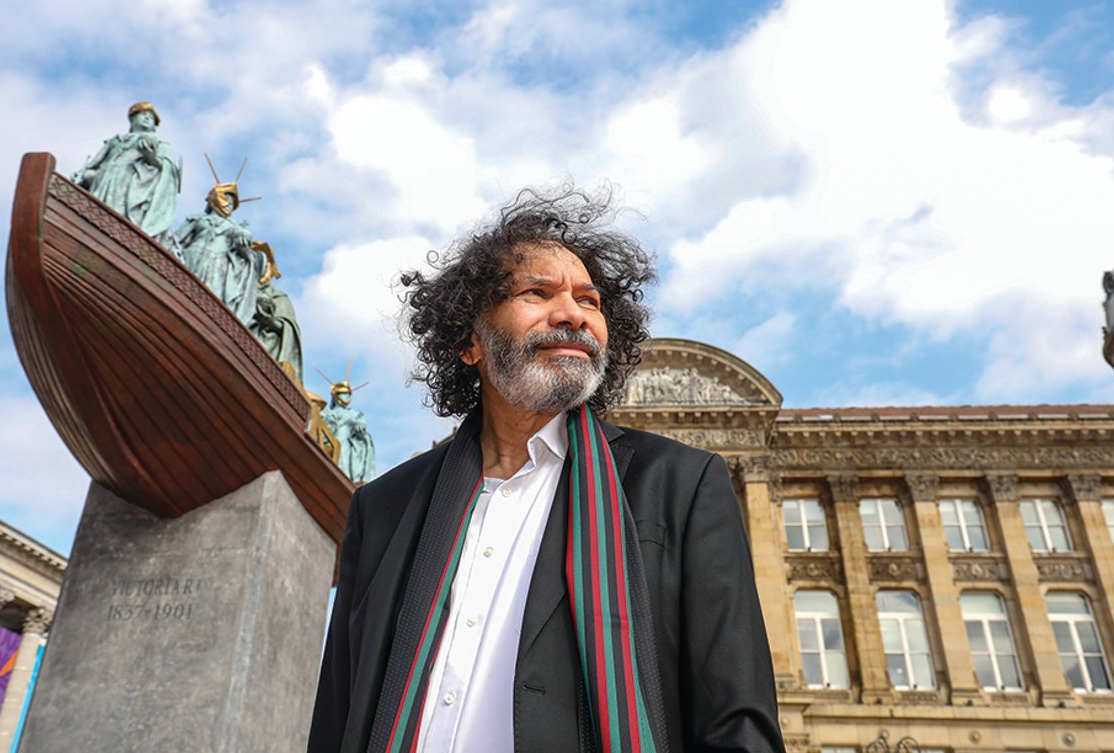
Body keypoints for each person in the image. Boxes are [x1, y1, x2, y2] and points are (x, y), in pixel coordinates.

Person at [309, 186, 783, 752]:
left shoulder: (678, 485)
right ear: (470, 342)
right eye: (538, 292)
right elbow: (337, 713)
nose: (573, 315)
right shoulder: (384, 506)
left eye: (590, 301)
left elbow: (736, 719)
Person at [72, 102, 182, 240]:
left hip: (130, 181)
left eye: (151, 118)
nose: (147, 118)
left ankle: (117, 237)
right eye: (143, 114)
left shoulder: (160, 144)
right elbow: (96, 162)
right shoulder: (116, 140)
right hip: (105, 178)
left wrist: (150, 156)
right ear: (132, 119)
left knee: (115, 217)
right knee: (95, 209)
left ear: (154, 126)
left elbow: (167, 170)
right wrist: (83, 174)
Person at [174, 180, 261, 326]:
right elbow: (177, 240)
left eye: (233, 203)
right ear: (216, 196)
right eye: (226, 199)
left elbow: (243, 254)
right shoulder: (198, 218)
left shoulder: (234, 227)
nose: (229, 204)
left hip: (217, 264)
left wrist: (243, 241)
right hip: (192, 256)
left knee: (207, 302)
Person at [322, 381, 377, 483]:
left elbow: (361, 424)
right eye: (343, 394)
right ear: (335, 395)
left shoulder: (353, 413)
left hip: (345, 442)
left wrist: (359, 426)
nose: (346, 396)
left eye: (348, 394)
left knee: (344, 450)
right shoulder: (327, 413)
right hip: (330, 439)